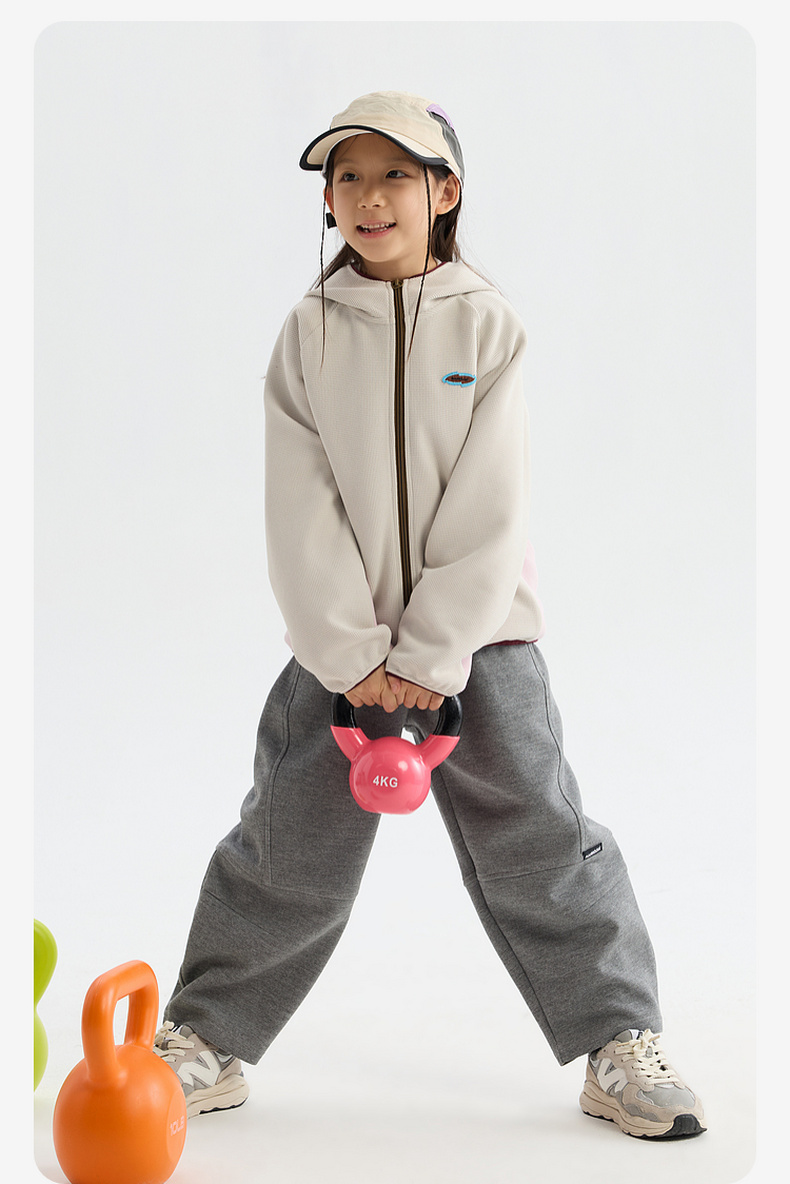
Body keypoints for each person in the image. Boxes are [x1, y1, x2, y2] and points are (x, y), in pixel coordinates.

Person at [153, 91, 706, 1141]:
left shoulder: (487, 323)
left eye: (395, 175)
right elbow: (299, 504)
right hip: (342, 657)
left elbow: (491, 503)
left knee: (543, 841)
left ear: (445, 192)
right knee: (284, 843)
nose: (369, 197)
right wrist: (354, 653)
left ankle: (619, 1041)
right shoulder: (310, 331)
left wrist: (431, 654)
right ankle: (205, 1037)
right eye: (348, 178)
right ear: (328, 200)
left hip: (483, 640)